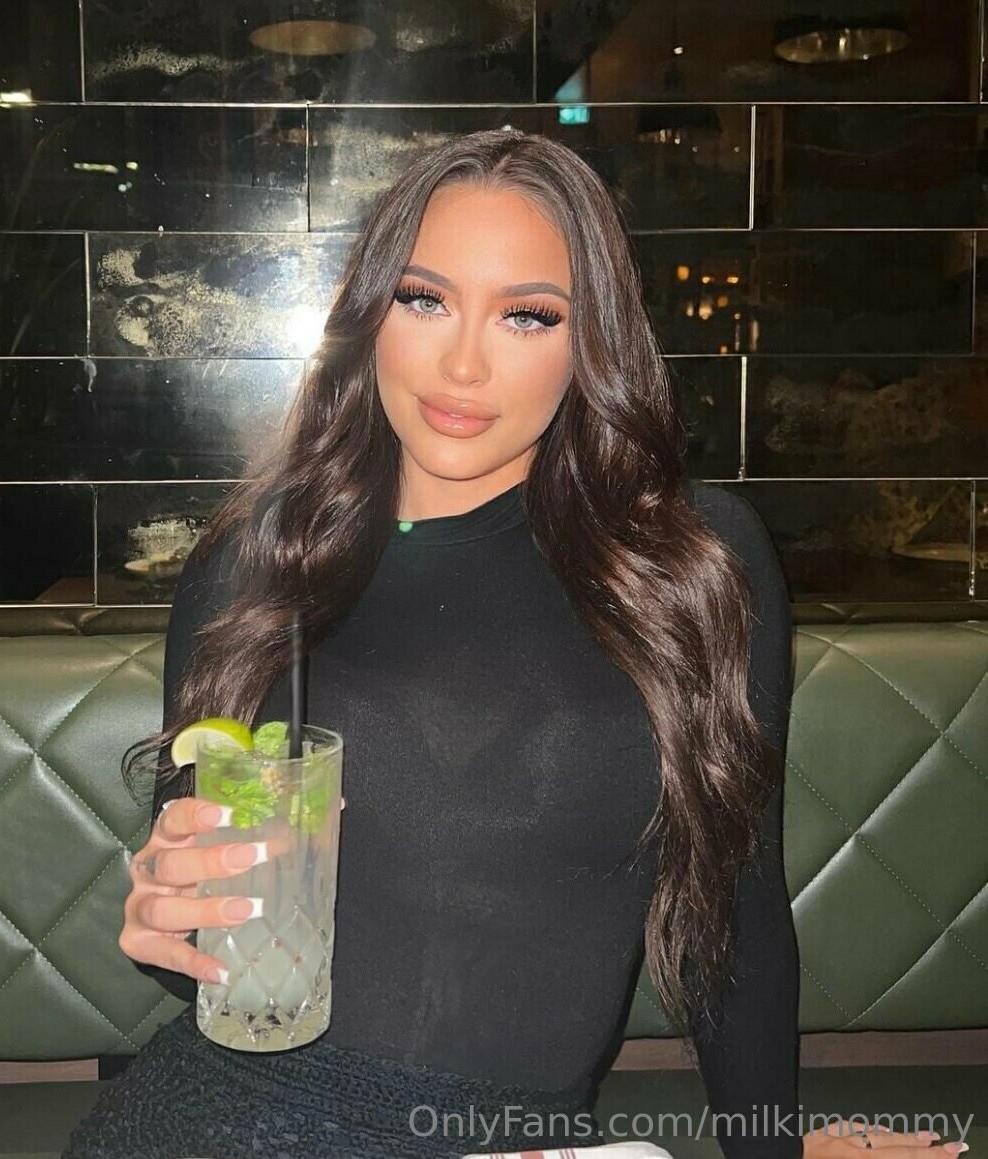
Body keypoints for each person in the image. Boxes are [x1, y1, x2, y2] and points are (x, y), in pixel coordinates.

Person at [61, 130, 951, 1159]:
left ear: (590, 341)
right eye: (423, 299)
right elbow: (203, 946)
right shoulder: (260, 564)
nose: (464, 363)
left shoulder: (692, 564)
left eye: (527, 315)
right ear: (370, 312)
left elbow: (737, 915)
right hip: (219, 1117)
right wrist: (167, 918)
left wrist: (775, 1150)